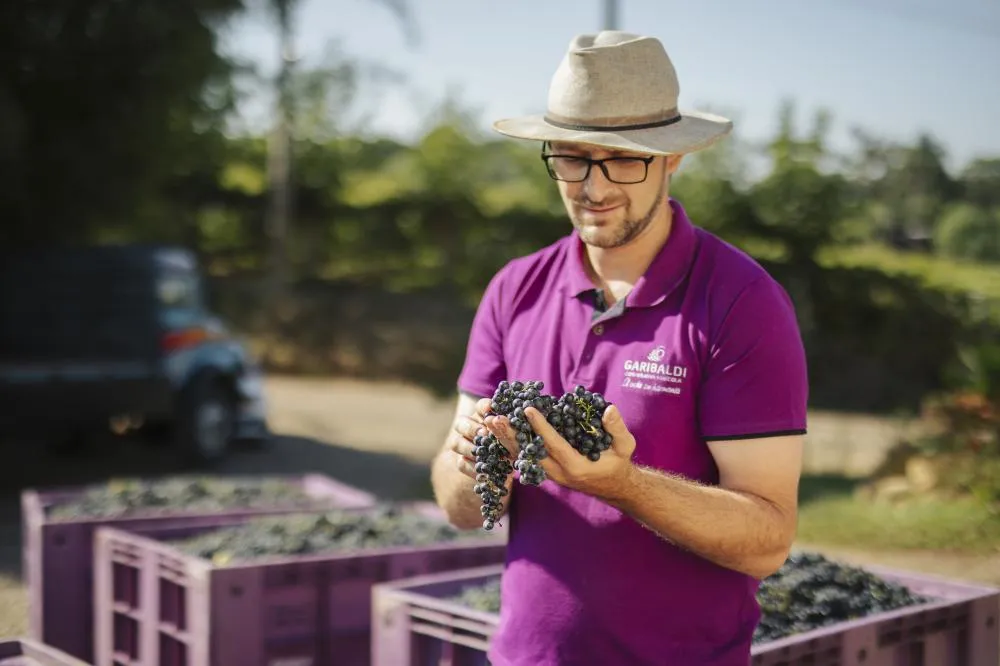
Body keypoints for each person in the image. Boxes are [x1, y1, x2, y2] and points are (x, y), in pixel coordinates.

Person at [429, 30, 808, 666]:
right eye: (572, 158)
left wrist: (624, 486)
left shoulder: (741, 302)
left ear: (672, 159)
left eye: (622, 159)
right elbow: (456, 502)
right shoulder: (514, 290)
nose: (593, 186)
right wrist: (474, 466)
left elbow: (768, 538)